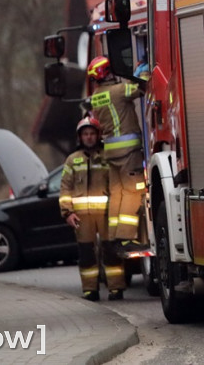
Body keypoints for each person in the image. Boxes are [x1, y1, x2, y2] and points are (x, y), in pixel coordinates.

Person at [87, 55, 148, 300]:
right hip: (128, 150)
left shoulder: (96, 97)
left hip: (111, 151)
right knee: (133, 192)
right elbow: (142, 87)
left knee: (117, 195)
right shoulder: (119, 90)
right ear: (107, 73)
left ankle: (113, 238)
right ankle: (124, 238)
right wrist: (142, 68)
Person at [59, 116, 123, 301]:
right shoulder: (72, 160)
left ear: (98, 135)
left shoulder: (107, 158)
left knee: (111, 251)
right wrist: (67, 212)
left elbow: (117, 185)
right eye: (85, 134)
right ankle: (90, 290)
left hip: (106, 214)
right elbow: (65, 188)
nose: (89, 137)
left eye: (92, 133)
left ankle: (116, 288)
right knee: (86, 253)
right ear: (80, 137)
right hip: (81, 217)